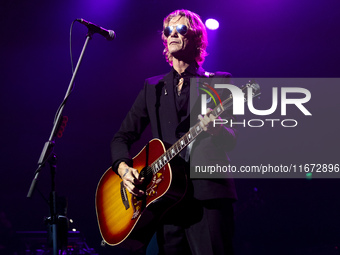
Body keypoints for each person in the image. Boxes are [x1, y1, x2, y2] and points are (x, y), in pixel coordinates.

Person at [111, 9, 237, 255]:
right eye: (168, 30)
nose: (173, 34)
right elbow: (121, 138)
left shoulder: (219, 82)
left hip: (207, 196)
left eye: (181, 29)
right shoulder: (152, 87)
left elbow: (234, 140)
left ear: (197, 37)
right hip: (166, 201)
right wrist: (124, 169)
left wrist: (216, 131)